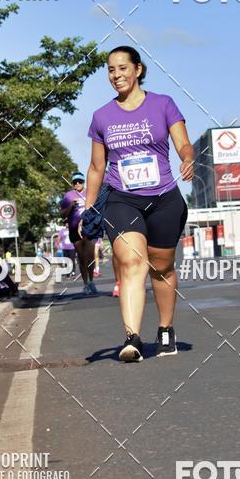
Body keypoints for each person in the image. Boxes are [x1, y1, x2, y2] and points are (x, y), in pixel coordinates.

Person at [82, 46, 193, 361]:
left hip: (164, 198)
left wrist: (188, 159)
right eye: (111, 70)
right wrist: (88, 206)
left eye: (122, 68)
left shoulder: (163, 105)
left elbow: (183, 143)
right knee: (131, 263)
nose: (116, 75)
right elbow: (96, 168)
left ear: (138, 69)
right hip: (122, 200)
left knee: (161, 267)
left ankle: (166, 328)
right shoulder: (102, 117)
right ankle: (131, 337)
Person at [60, 172, 98, 295]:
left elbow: (97, 208)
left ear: (83, 182)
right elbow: (63, 214)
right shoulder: (68, 195)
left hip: (90, 227)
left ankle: (91, 281)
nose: (77, 184)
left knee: (91, 256)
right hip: (74, 228)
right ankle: (85, 283)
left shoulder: (90, 192)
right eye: (75, 182)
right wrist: (71, 205)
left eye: (80, 182)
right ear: (72, 184)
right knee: (82, 258)